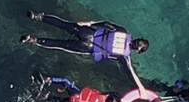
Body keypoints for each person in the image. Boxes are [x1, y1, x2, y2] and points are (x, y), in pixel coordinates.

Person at [20, 12, 148, 72]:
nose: (138, 44)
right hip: (90, 39)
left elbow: (106, 23)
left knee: (63, 38)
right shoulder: (124, 55)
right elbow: (107, 24)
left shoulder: (124, 55)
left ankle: (35, 30)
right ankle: (37, 26)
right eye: (140, 43)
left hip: (89, 43)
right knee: (62, 38)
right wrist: (90, 23)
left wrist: (91, 23)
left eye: (139, 44)